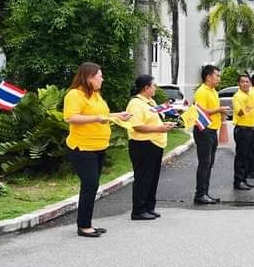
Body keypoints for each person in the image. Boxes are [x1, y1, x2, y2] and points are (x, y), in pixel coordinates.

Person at [62, 62, 131, 237]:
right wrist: (97, 118)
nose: (102, 79)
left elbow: (103, 116)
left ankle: (87, 222)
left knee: (92, 185)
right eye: (100, 76)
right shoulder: (74, 95)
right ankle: (84, 226)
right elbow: (71, 117)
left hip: (99, 147)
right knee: (90, 184)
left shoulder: (96, 95)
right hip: (82, 147)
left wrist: (117, 115)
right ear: (89, 77)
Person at [125, 74, 175, 221]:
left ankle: (149, 207)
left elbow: (156, 119)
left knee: (152, 177)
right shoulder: (135, 103)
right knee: (143, 177)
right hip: (142, 144)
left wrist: (165, 125)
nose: (156, 88)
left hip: (155, 144)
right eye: (154, 85)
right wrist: (159, 129)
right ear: (146, 87)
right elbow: (136, 126)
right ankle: (138, 210)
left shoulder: (150, 102)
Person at [193, 64, 227, 205]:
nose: (219, 78)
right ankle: (200, 194)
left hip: (212, 130)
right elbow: (201, 111)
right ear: (208, 77)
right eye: (217, 75)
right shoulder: (202, 91)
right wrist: (219, 109)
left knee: (209, 163)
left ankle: (205, 192)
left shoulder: (213, 91)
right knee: (205, 163)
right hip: (204, 130)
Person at [231, 73, 254, 191]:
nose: (245, 84)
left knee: (247, 155)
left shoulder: (249, 95)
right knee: (241, 156)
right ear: (239, 84)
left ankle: (244, 179)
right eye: (242, 82)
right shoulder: (237, 96)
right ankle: (238, 181)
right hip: (242, 129)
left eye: (247, 82)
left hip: (250, 127)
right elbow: (239, 112)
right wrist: (248, 105)